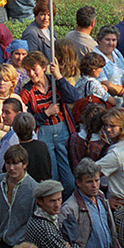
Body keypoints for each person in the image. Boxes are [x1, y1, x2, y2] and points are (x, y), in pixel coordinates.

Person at [19, 51, 80, 194]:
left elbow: (73, 97)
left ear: (43, 67)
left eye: (34, 69)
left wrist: (59, 76)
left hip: (62, 129)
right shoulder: (27, 91)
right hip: (44, 132)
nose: (31, 74)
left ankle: (67, 202)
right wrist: (46, 113)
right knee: (52, 174)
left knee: (68, 178)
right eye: (28, 70)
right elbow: (26, 121)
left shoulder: (55, 83)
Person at [58, 158, 117, 248]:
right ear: (78, 182)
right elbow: (63, 239)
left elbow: (110, 227)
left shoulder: (100, 197)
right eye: (89, 182)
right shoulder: (70, 208)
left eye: (97, 180)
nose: (95, 185)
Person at [25, 179, 83, 248]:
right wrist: (77, 246)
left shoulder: (48, 217)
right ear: (40, 202)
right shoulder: (44, 227)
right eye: (52, 201)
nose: (57, 205)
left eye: (59, 199)